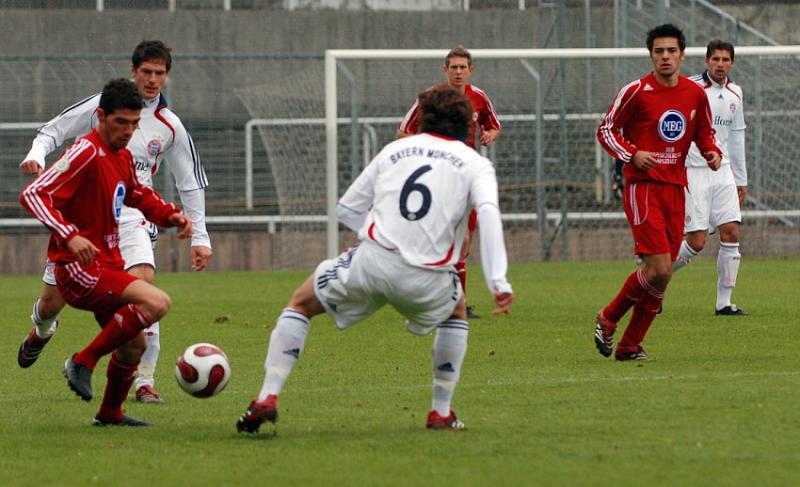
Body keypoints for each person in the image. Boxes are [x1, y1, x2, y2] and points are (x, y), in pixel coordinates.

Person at [236, 84, 513, 434]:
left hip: (372, 262)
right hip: (428, 278)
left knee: (300, 304)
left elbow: (347, 209)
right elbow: (488, 212)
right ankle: (440, 411)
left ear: (423, 119)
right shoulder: (476, 164)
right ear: (467, 126)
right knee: (456, 313)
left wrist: (372, 243)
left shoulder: (394, 150)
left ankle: (267, 396)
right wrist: (498, 280)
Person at [16, 40, 212, 403]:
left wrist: (192, 229)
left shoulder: (169, 126)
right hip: (83, 222)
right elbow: (52, 131)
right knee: (49, 305)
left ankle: (142, 380)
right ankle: (43, 332)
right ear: (133, 70)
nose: (153, 80)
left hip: (131, 219)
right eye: (147, 72)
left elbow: (185, 182)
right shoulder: (98, 115)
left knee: (146, 292)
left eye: (160, 73)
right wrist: (36, 155)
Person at [595, 24, 722, 361]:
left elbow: (704, 133)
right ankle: (608, 317)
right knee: (661, 270)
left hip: (676, 188)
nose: (665, 57)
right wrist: (632, 154)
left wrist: (712, 152)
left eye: (671, 51)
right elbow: (606, 129)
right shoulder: (636, 90)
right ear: (651, 55)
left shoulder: (694, 94)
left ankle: (629, 345)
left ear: (682, 54)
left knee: (661, 275)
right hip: (643, 186)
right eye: (658, 51)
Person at [397, 45, 502, 319]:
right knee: (450, 240)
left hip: (468, 177)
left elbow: (493, 124)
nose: (458, 72)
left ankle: (457, 304)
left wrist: (491, 134)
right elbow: (402, 132)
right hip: (438, 178)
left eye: (462, 67)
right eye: (453, 67)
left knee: (464, 242)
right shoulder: (431, 98)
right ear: (445, 70)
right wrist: (431, 146)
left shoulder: (478, 97)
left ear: (470, 70)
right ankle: (443, 302)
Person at [672, 39, 749, 316]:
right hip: (694, 172)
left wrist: (741, 178)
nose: (720, 64)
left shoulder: (735, 93)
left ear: (732, 63)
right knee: (697, 242)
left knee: (731, 232)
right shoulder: (690, 88)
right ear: (706, 61)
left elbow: (737, 136)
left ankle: (724, 303)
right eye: (715, 59)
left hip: (724, 172)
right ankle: (654, 279)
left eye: (725, 60)